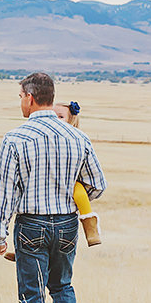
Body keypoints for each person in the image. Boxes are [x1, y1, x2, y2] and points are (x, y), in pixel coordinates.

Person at [0, 72, 106, 303]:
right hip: (67, 224)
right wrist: (68, 191)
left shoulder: (16, 138)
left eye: (20, 97)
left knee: (31, 293)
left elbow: (5, 193)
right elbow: (98, 185)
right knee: (63, 286)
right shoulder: (77, 137)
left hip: (30, 224)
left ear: (30, 97)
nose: (20, 103)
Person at [52, 99, 102, 247]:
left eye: (60, 117)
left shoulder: (76, 139)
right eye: (52, 116)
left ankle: (90, 228)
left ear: (71, 120)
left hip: (70, 182)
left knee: (78, 190)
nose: (56, 120)